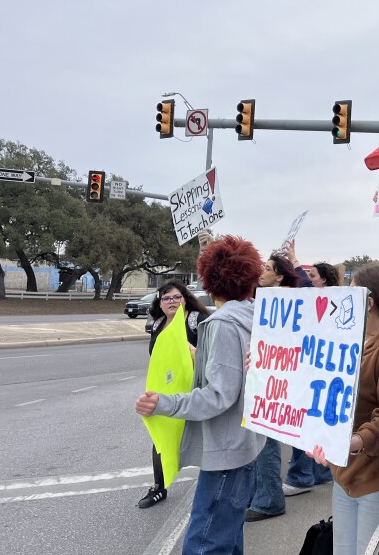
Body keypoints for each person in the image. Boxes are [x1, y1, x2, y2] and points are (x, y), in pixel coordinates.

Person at [135, 235, 266, 555]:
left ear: (210, 279)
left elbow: (217, 396)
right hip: (247, 444)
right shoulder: (256, 316)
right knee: (228, 538)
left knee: (204, 544)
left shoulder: (222, 323)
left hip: (225, 451)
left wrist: (166, 403)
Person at [309, 263, 379, 555]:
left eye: (351, 290)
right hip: (344, 472)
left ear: (367, 303)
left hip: (374, 478)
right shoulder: (351, 338)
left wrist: (355, 441)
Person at [245, 251, 313, 522]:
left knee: (266, 438)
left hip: (280, 378)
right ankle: (265, 493)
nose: (262, 272)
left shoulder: (294, 301)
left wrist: (297, 262)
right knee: (265, 437)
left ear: (280, 276)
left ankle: (269, 498)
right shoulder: (261, 298)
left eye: (268, 268)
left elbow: (312, 295)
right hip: (266, 374)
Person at [136, 280, 211, 509]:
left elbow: (211, 355)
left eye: (176, 297)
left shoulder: (195, 320)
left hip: (195, 391)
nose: (172, 302)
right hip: (166, 392)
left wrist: (194, 352)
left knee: (204, 437)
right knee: (161, 436)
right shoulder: (159, 324)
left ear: (185, 298)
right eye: (166, 298)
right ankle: (159, 487)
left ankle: (211, 488)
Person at [276, 243, 338, 497]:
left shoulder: (329, 300)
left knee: (302, 422)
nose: (307, 280)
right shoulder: (329, 300)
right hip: (319, 372)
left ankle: (301, 477)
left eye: (313, 276)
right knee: (313, 422)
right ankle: (321, 472)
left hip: (315, 372)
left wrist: (293, 260)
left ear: (323, 280)